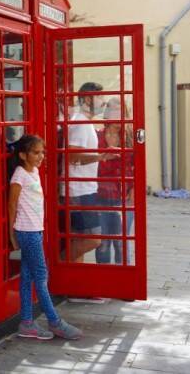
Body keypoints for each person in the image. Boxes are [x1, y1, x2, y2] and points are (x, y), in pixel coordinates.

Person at [9, 134, 83, 340]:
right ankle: (55, 322)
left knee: (27, 277)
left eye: (42, 152)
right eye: (35, 152)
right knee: (41, 276)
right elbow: (12, 205)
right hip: (27, 232)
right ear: (23, 155)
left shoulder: (34, 172)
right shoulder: (19, 175)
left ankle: (26, 323)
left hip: (36, 230)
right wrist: (11, 234)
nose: (41, 156)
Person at [67, 82, 118, 264]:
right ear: (88, 99)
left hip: (82, 188)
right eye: (100, 97)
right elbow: (72, 156)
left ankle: (73, 277)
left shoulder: (83, 122)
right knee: (94, 239)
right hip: (79, 190)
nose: (103, 102)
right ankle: (53, 263)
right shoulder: (81, 123)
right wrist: (101, 157)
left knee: (78, 239)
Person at [96, 98, 135, 264]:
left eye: (122, 112)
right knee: (102, 242)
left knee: (121, 241)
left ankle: (124, 275)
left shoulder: (131, 137)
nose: (120, 116)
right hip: (100, 195)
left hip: (124, 196)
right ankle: (103, 276)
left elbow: (138, 165)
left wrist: (134, 189)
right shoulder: (97, 136)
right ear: (108, 114)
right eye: (116, 111)